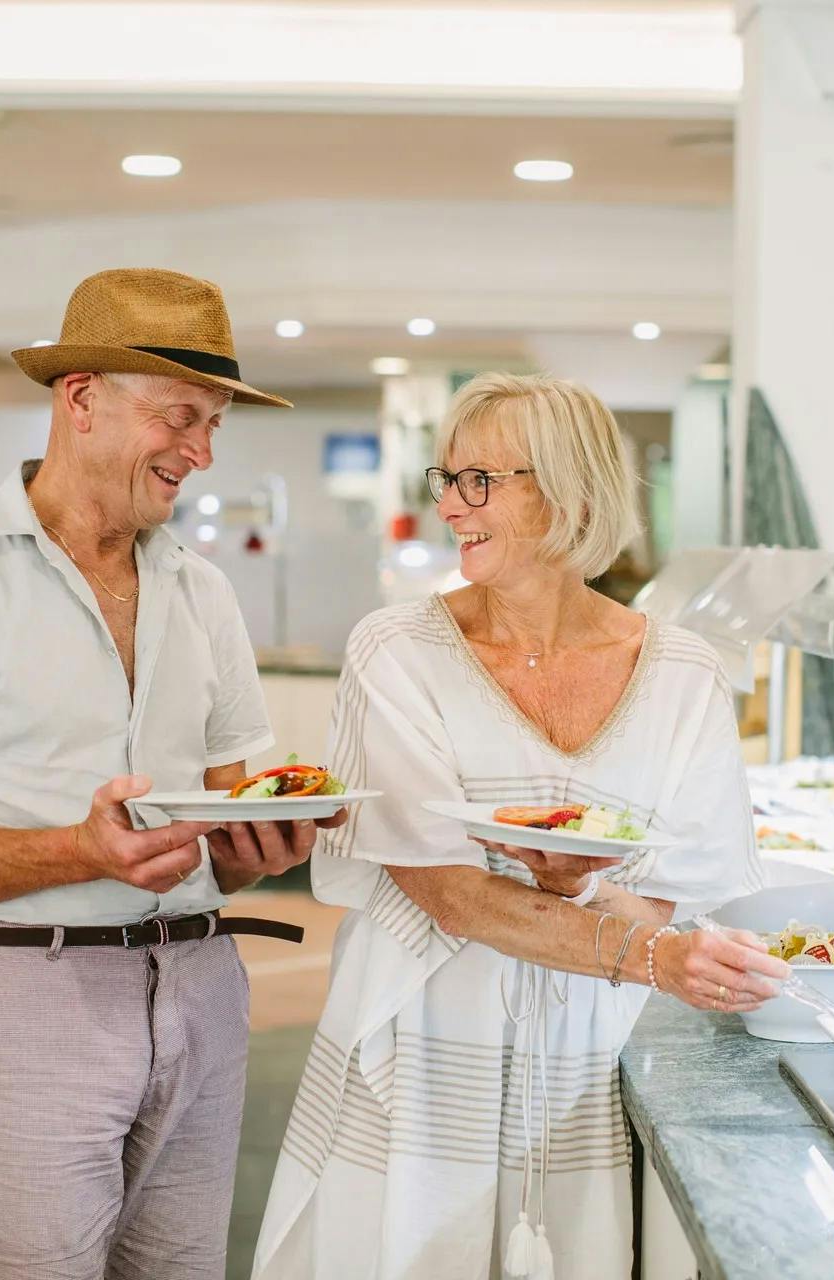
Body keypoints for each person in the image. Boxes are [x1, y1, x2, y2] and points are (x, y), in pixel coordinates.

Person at [0, 267, 345, 1280]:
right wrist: (75, 845)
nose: (201, 451)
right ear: (82, 399)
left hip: (202, 988)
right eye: (184, 417)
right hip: (30, 997)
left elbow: (217, 825)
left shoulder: (204, 592)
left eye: (215, 425)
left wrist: (258, 849)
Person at [254, 372, 787, 1279]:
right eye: (448, 480)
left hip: (590, 1055)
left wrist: (579, 881)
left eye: (483, 482)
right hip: (421, 1039)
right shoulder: (396, 649)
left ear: (569, 489)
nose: (454, 508)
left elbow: (669, 896)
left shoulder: (685, 671)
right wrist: (648, 957)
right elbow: (449, 893)